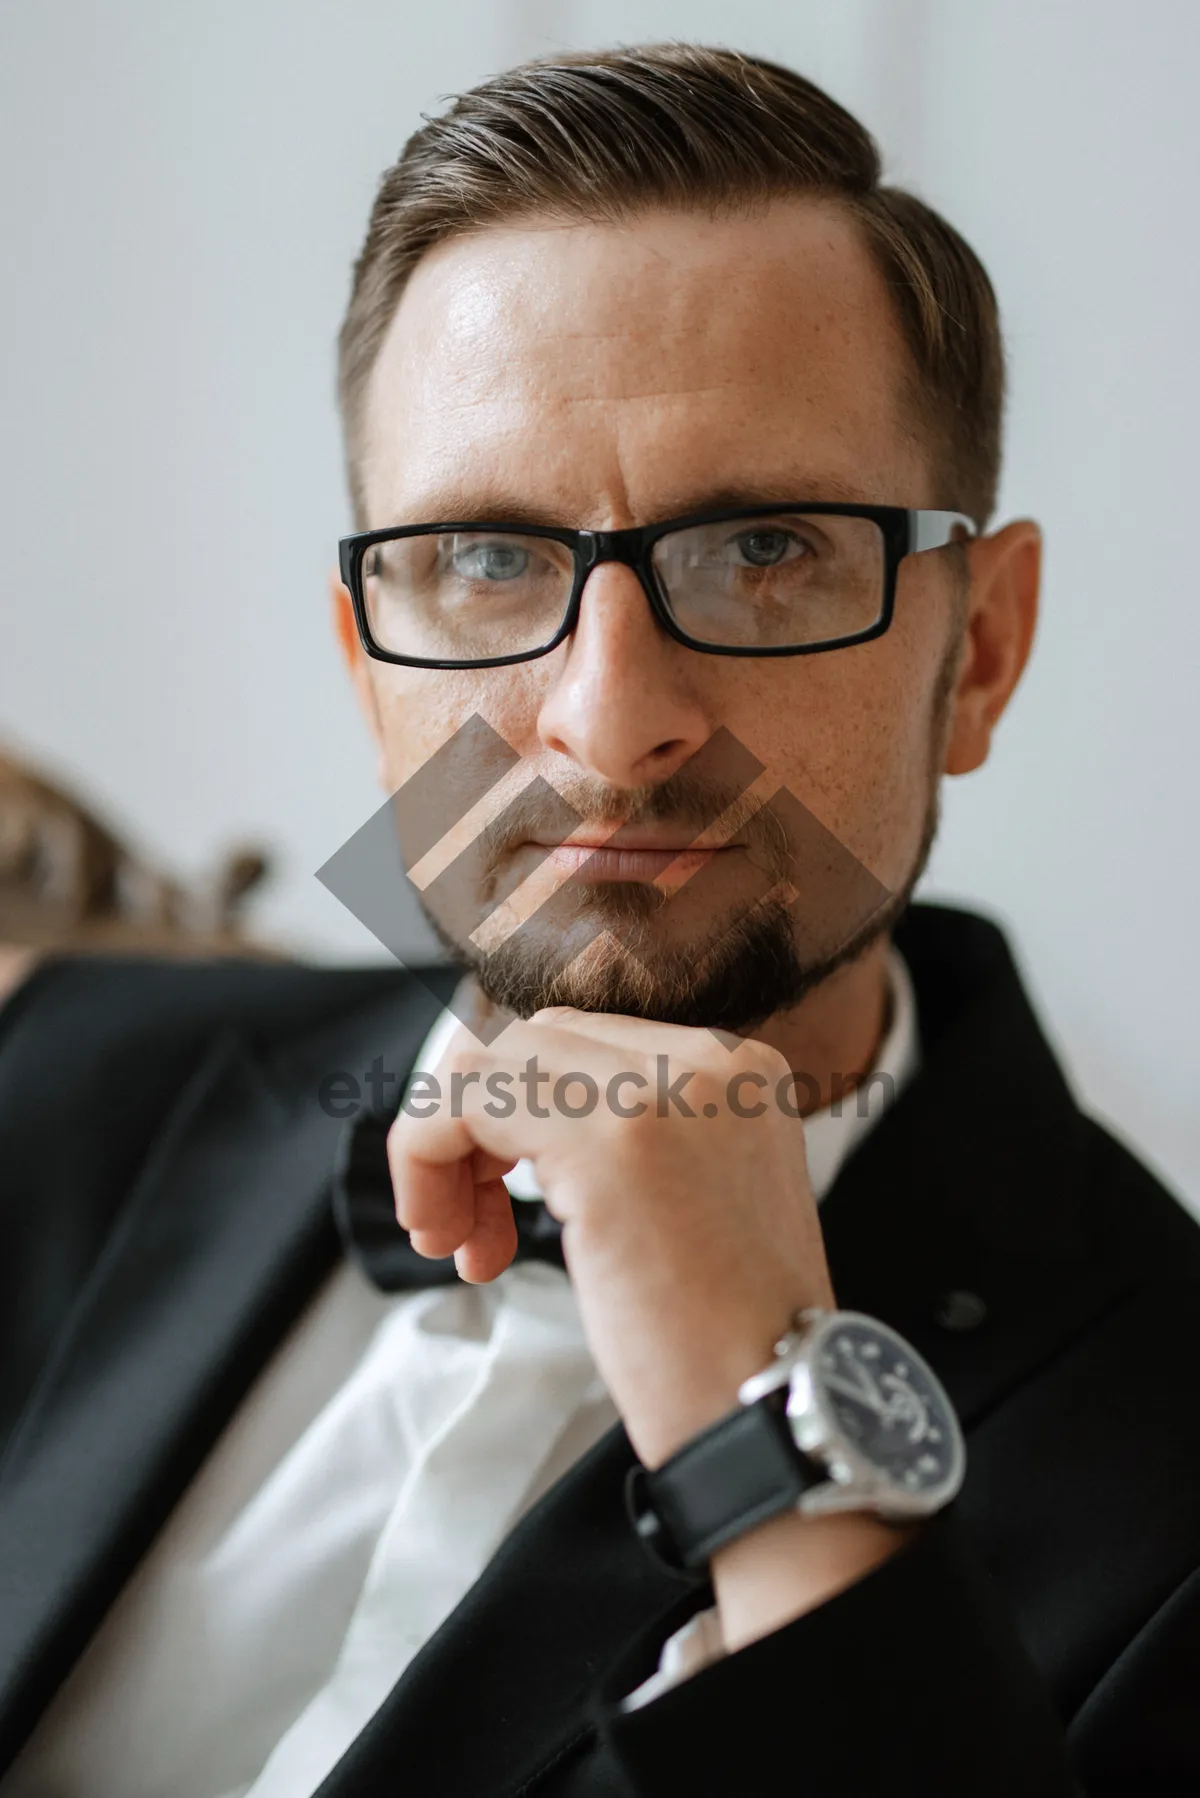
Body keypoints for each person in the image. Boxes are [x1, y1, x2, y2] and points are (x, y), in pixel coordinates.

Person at [1, 42, 1197, 1798]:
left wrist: (772, 1426)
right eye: (486, 561)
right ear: (366, 665)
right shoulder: (55, 1089)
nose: (607, 718)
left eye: (767, 548)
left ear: (983, 651)